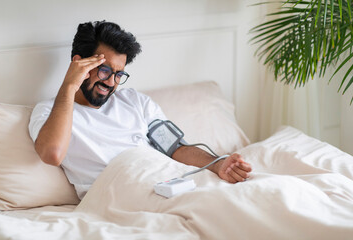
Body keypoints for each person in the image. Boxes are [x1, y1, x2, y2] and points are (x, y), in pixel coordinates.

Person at [29, 21, 252, 199]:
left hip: (165, 184)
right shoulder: (50, 110)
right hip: (118, 195)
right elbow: (52, 154)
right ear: (79, 64)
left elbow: (175, 148)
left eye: (118, 75)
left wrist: (218, 164)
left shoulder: (135, 101)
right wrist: (69, 86)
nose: (111, 83)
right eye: (104, 70)